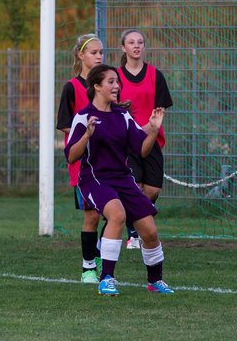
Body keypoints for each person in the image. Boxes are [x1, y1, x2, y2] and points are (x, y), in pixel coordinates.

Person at [64, 64, 171, 296]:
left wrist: (153, 129)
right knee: (117, 214)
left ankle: (155, 281)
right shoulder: (83, 117)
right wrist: (87, 135)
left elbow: (141, 150)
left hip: (123, 178)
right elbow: (71, 156)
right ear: (96, 86)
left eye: (117, 82)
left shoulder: (122, 115)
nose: (117, 86)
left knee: (150, 231)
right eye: (111, 82)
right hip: (94, 178)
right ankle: (106, 278)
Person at [118, 29, 175, 249]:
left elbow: (160, 109)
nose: (136, 45)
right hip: (126, 141)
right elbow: (114, 109)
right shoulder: (116, 77)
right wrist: (133, 129)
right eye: (131, 42)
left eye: (140, 42)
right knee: (134, 185)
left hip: (151, 138)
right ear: (123, 47)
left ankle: (136, 221)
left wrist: (149, 127)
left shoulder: (155, 75)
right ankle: (134, 232)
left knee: (152, 190)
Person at [56, 33, 105, 284]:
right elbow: (64, 124)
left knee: (118, 211)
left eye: (101, 53)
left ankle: (98, 252)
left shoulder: (107, 82)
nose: (98, 56)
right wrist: (86, 134)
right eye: (93, 52)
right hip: (82, 159)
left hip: (108, 158)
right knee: (92, 215)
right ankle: (88, 268)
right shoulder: (72, 87)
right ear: (81, 55)